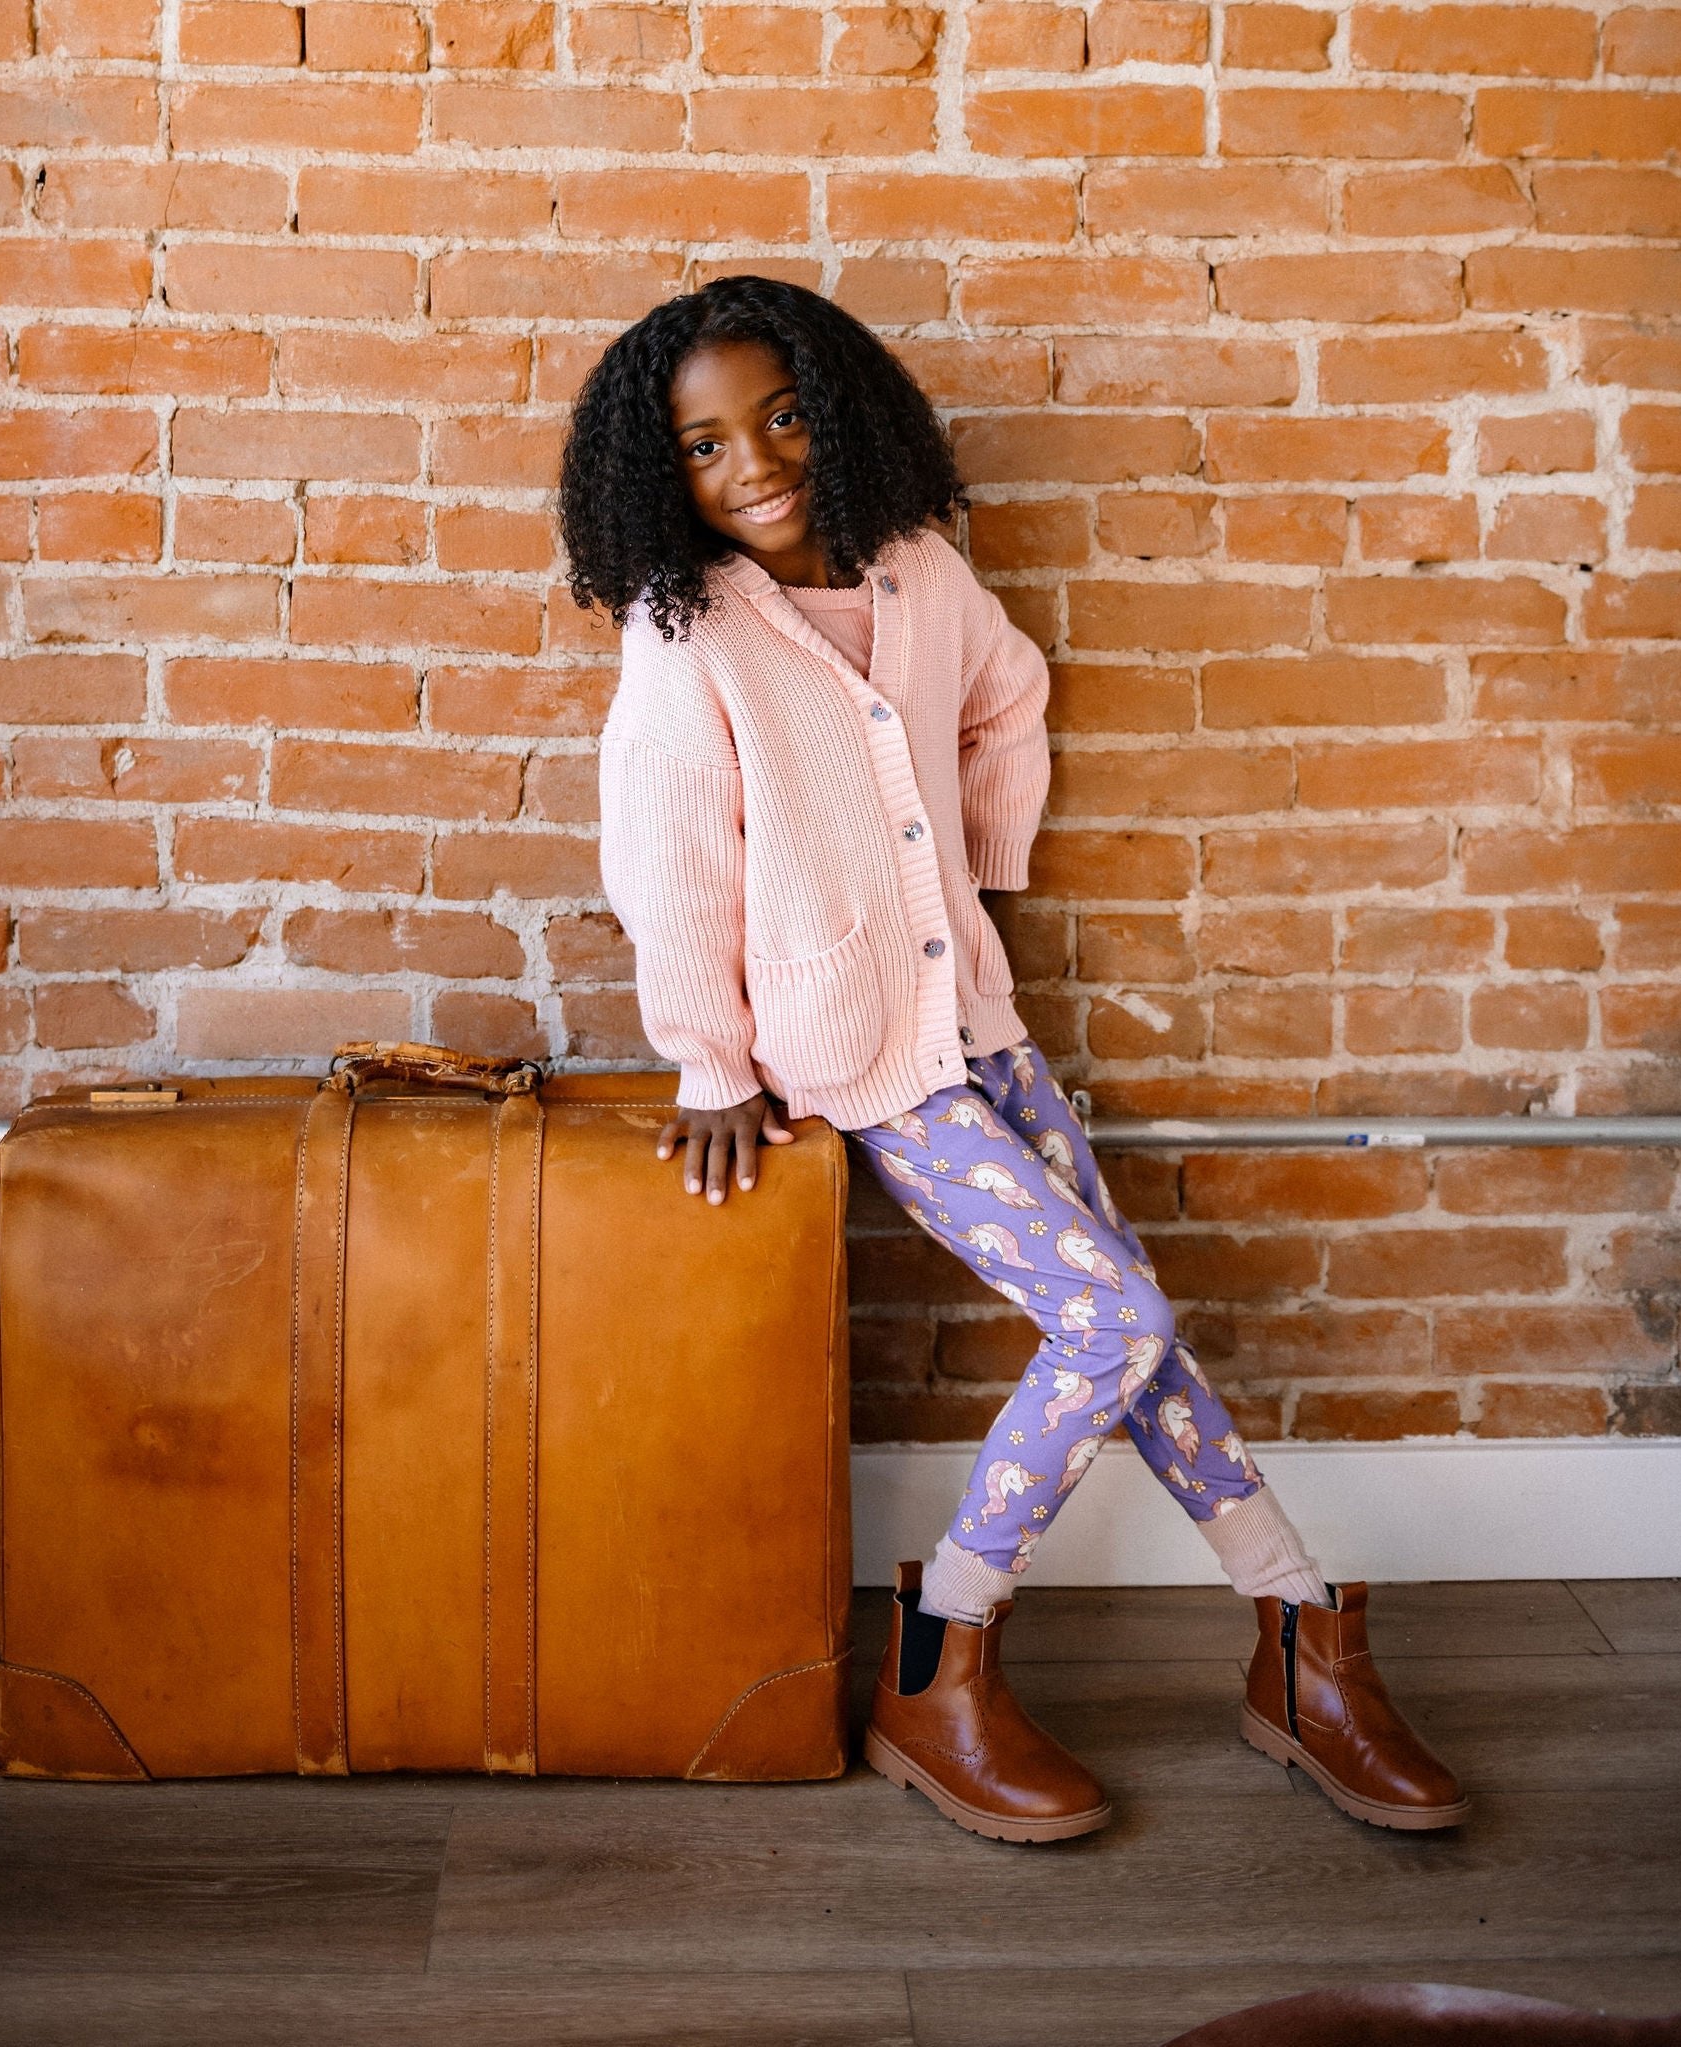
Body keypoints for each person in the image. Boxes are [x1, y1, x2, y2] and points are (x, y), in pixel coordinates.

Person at [558, 274, 1466, 1845]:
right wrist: (710, 1064)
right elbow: (669, 864)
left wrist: (971, 871)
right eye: (705, 447)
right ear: (665, 476)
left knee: (1141, 1340)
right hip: (868, 1064)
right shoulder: (686, 629)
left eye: (780, 417)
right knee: (1116, 1313)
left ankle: (1299, 1636)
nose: (755, 463)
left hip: (981, 1020)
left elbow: (1008, 696)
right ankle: (942, 1650)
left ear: (838, 412)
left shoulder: (920, 572)